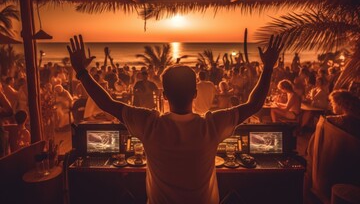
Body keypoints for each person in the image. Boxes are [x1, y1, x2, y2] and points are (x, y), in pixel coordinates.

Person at [67, 34, 283, 204]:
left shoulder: (149, 125)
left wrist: (81, 72)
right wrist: (268, 68)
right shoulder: (212, 126)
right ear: (195, 93)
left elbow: (107, 103)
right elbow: (254, 105)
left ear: (164, 95)